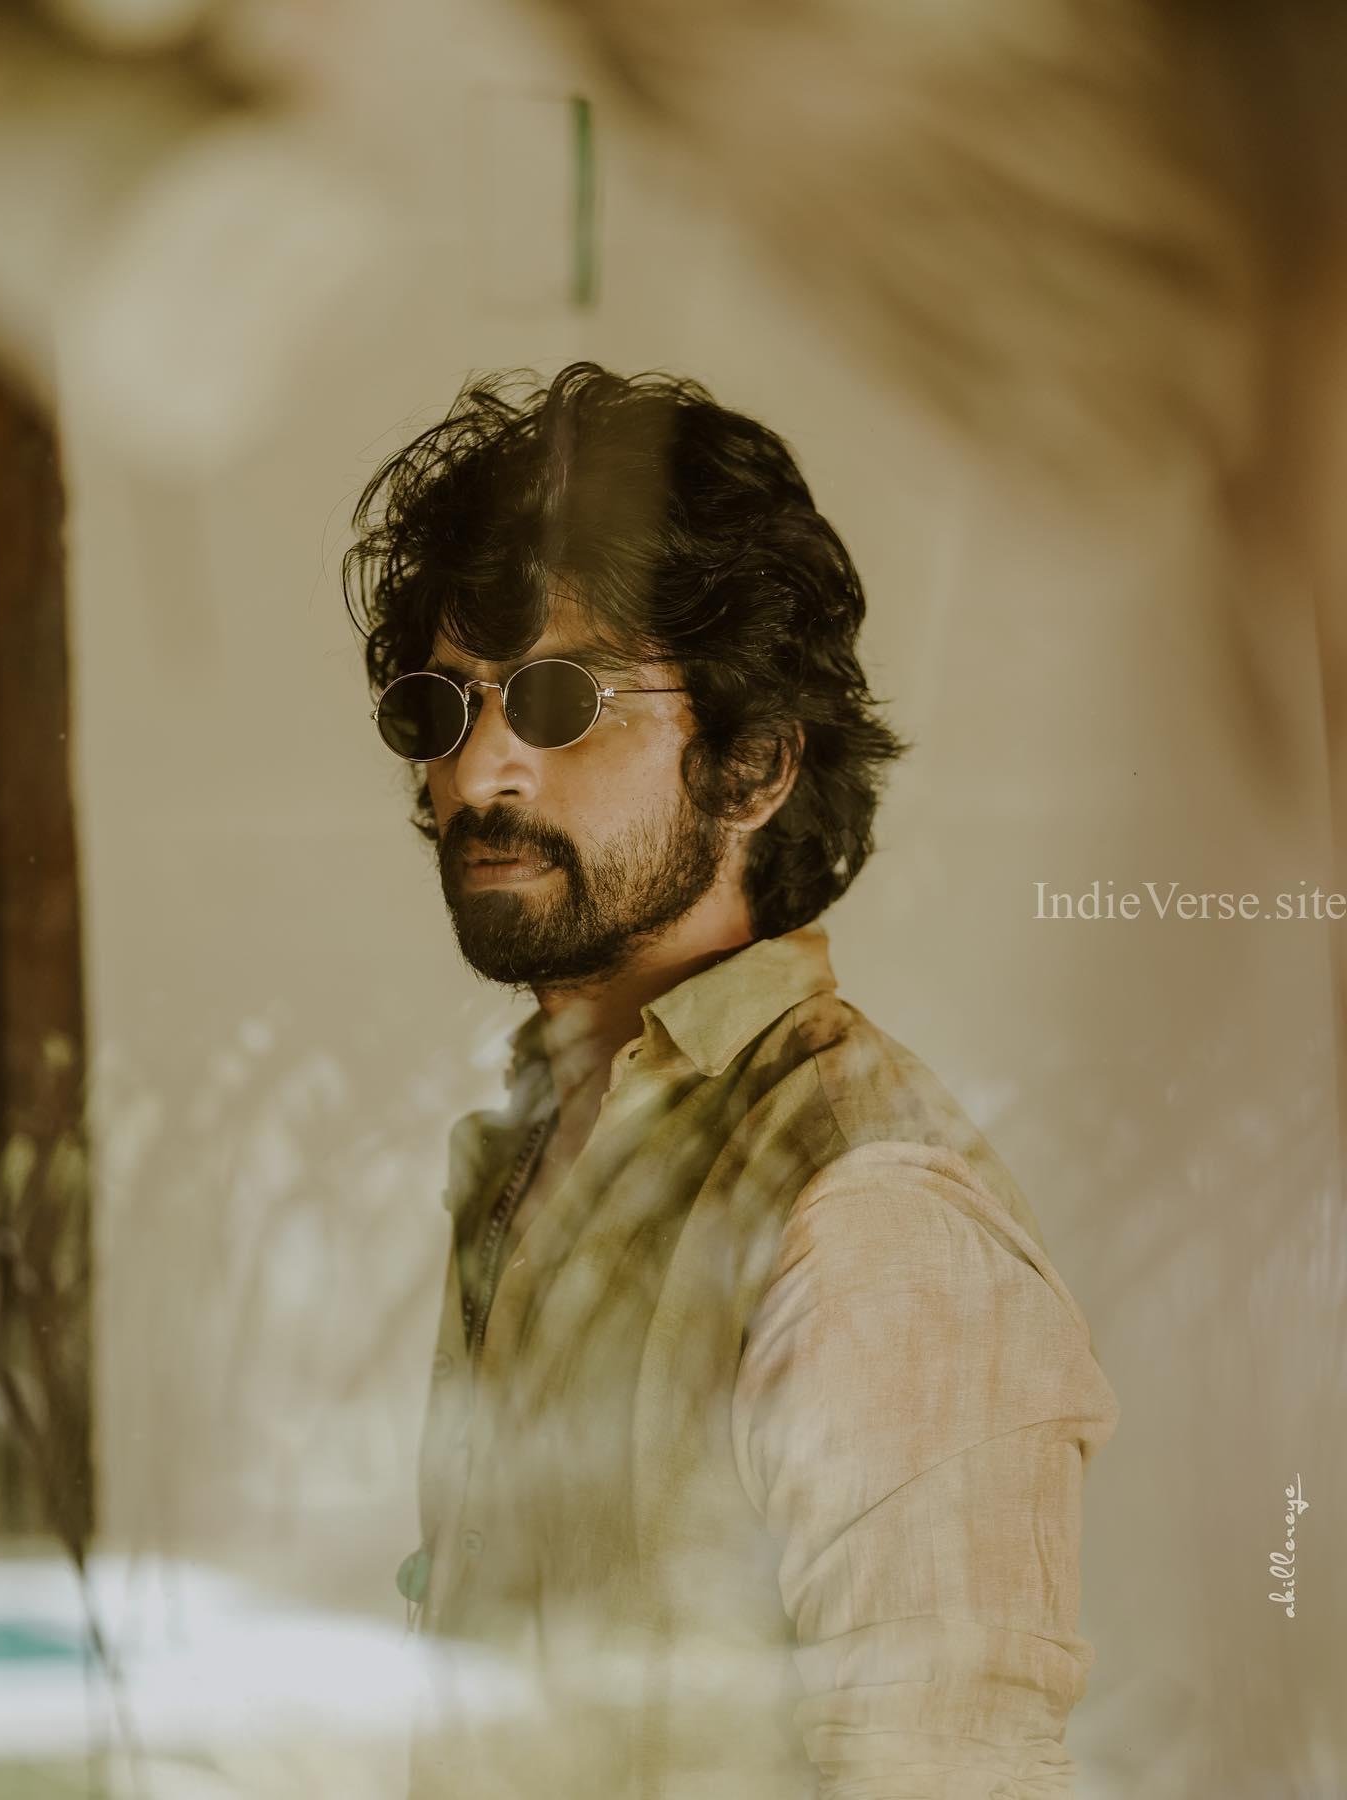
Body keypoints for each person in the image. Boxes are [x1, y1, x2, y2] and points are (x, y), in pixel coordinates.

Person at [343, 363, 1120, 1798]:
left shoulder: (867, 1216)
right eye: (442, 707)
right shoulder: (533, 1148)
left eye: (561, 699)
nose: (485, 768)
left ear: (754, 766)